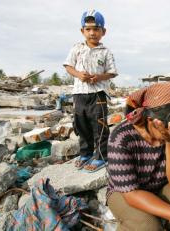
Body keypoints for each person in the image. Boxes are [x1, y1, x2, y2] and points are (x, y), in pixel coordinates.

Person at [107, 80, 170, 231]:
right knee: (147, 226)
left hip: (163, 186)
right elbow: (131, 193)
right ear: (152, 121)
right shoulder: (122, 138)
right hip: (127, 192)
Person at [63, 10, 117, 172]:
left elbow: (112, 72)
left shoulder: (106, 51)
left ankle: (101, 156)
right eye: (88, 29)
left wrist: (98, 77)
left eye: (96, 29)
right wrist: (79, 74)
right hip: (79, 93)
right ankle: (85, 154)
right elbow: (68, 66)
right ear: (82, 31)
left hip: (98, 94)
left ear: (103, 32)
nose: (92, 33)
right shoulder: (77, 48)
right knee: (81, 124)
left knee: (99, 125)